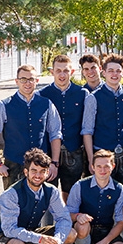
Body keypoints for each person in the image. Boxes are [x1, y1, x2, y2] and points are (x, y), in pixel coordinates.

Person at [0, 64, 63, 190]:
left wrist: (54, 163)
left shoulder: (46, 104)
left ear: (36, 81)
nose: (27, 83)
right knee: (14, 205)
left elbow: (56, 134)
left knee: (45, 205)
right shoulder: (3, 105)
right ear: (17, 81)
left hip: (42, 166)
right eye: (23, 79)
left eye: (31, 79)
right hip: (14, 165)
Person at [67, 150, 123, 244]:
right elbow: (67, 213)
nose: (102, 170)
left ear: (113, 166)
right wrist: (78, 216)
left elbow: (121, 221)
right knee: (82, 224)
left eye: (106, 166)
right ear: (92, 167)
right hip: (84, 229)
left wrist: (105, 242)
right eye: (99, 166)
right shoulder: (80, 185)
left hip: (106, 230)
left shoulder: (120, 189)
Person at [81, 53, 123, 187]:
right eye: (111, 71)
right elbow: (87, 131)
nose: (115, 74)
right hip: (101, 153)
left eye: (118, 71)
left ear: (122, 73)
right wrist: (91, 159)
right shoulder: (93, 97)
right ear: (104, 73)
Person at [38, 55, 88, 200]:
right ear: (51, 71)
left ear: (71, 72)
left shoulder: (82, 94)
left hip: (74, 151)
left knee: (72, 193)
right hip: (48, 151)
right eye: (58, 70)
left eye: (65, 71)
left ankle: (68, 221)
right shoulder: (42, 95)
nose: (62, 74)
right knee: (48, 191)